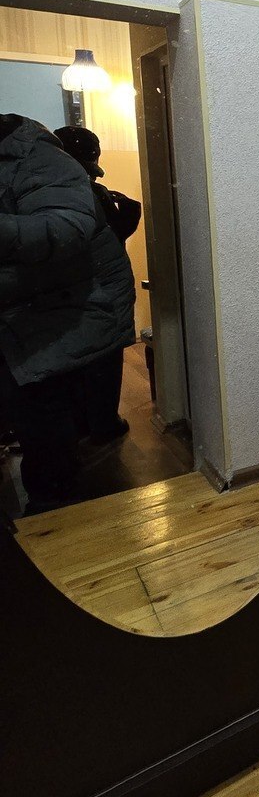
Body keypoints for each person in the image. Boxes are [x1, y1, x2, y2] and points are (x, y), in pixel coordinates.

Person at [0, 115, 136, 509]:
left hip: (81, 309)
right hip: (68, 312)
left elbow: (66, 234)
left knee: (65, 408)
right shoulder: (86, 186)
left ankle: (100, 429)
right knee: (74, 397)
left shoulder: (51, 169)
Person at [54, 124, 142, 444]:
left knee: (80, 357)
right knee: (103, 356)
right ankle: (103, 423)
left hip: (73, 291)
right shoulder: (89, 194)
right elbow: (107, 242)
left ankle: (83, 422)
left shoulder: (50, 193)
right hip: (99, 289)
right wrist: (128, 219)